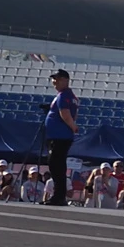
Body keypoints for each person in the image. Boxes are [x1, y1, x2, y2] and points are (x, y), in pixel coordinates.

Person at [41, 70, 78, 206]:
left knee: (56, 165)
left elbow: (66, 113)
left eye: (57, 79)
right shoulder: (70, 96)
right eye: (54, 79)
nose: (54, 82)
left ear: (65, 80)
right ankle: (58, 195)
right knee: (58, 165)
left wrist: (72, 126)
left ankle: (58, 196)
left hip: (59, 136)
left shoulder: (64, 95)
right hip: (60, 135)